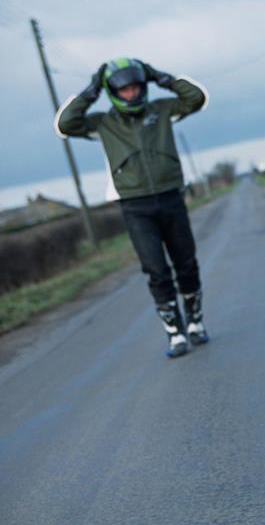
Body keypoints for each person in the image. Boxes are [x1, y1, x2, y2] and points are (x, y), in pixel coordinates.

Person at [55, 58, 209, 358]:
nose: (132, 94)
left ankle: (195, 323)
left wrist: (158, 76)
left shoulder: (163, 110)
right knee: (157, 270)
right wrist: (92, 89)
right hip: (134, 206)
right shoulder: (103, 124)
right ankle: (174, 333)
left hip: (170, 197)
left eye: (136, 86)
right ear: (113, 91)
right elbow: (65, 124)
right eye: (124, 89)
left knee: (186, 264)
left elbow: (196, 98)